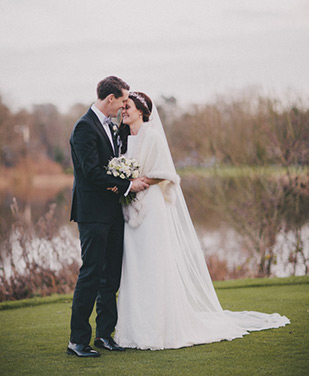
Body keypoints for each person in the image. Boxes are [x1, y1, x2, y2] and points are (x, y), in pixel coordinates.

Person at [114, 92, 290, 350]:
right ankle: (134, 330)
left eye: (127, 107)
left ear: (141, 110)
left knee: (153, 265)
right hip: (131, 211)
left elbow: (166, 173)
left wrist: (138, 183)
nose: (124, 111)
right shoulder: (126, 138)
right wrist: (126, 184)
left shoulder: (153, 135)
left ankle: (158, 331)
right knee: (136, 266)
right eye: (123, 107)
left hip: (151, 208)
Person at [67, 77, 148, 357]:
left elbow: (110, 166)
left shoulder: (112, 127)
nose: (124, 106)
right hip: (92, 214)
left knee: (110, 277)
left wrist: (120, 184)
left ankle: (104, 335)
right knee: (91, 274)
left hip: (114, 212)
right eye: (123, 100)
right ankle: (77, 340)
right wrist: (127, 185)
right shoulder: (84, 128)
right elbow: (90, 172)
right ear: (110, 98)